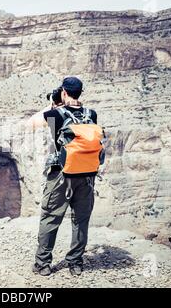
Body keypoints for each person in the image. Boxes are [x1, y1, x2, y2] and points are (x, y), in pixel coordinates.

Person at [27, 76, 98, 277]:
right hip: (87, 177)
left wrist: (51, 103)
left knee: (50, 218)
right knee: (81, 220)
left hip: (61, 176)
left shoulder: (55, 115)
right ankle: (75, 263)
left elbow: (30, 124)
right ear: (80, 93)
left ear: (64, 92)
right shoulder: (91, 114)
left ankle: (43, 264)